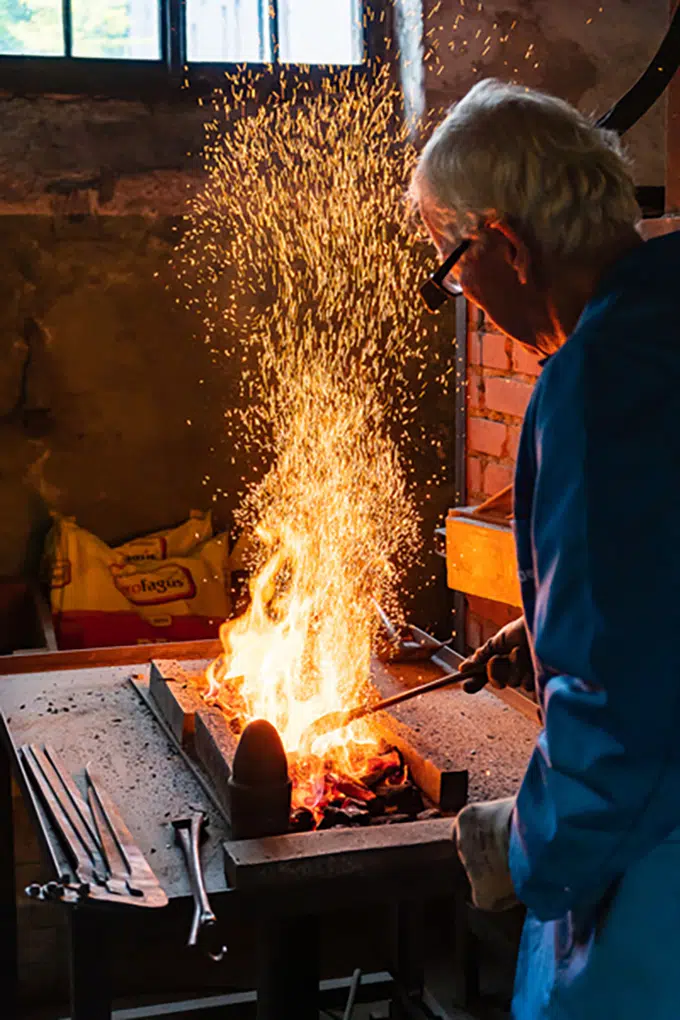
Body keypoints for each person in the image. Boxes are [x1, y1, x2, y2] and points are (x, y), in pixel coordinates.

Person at [410, 78, 680, 1019]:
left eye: (453, 267)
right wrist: (557, 610)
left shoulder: (598, 385)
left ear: (507, 248)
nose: (466, 299)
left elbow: (619, 712)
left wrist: (524, 849)